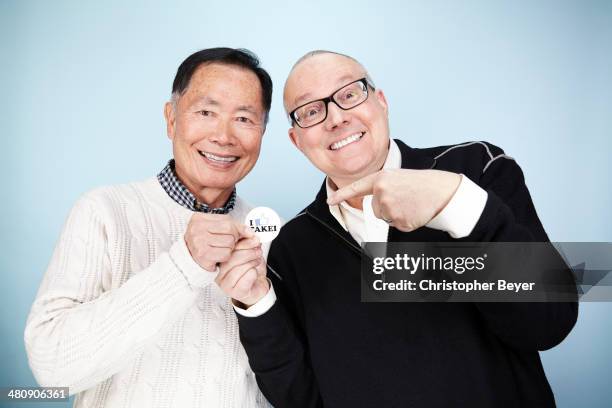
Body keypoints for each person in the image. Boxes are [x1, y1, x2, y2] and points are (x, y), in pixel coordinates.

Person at [217, 50, 578, 407]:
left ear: (381, 102)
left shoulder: (477, 168)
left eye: (349, 94)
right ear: (297, 140)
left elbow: (549, 323)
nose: (336, 118)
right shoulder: (290, 248)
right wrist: (256, 304)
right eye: (311, 111)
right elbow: (301, 398)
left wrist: (457, 204)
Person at [24, 47, 272, 407]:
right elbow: (51, 370)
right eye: (206, 112)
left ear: (263, 132)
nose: (224, 136)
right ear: (171, 118)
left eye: (245, 119)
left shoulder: (267, 236)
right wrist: (183, 265)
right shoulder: (104, 211)